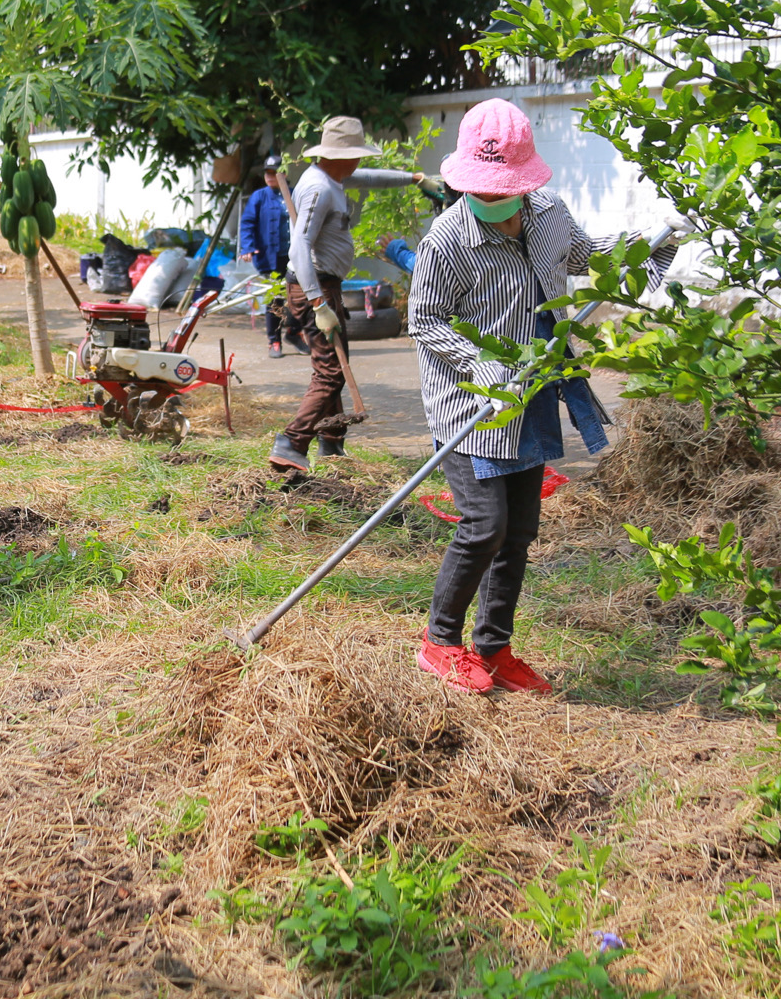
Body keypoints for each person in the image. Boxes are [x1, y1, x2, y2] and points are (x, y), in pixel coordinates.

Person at [407, 98, 674, 694]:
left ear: (526, 183)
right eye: (482, 190)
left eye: (504, 191)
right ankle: (440, 641)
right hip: (471, 403)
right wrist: (481, 366)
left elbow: (586, 255)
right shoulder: (447, 241)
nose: (494, 202)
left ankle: (494, 649)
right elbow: (425, 321)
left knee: (520, 528)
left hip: (533, 391)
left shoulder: (549, 214)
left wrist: (650, 239)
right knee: (485, 522)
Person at [267, 116, 380, 473]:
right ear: (341, 155)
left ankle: (331, 443)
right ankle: (291, 442)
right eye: (358, 154)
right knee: (331, 372)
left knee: (333, 364)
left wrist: (416, 179)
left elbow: (374, 178)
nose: (361, 162)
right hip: (314, 285)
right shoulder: (320, 188)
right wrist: (318, 303)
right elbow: (299, 245)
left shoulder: (331, 178)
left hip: (324, 285)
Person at [238, 153, 306, 358]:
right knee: (275, 297)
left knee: (298, 297)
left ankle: (294, 333)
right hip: (270, 256)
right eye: (266, 172)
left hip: (293, 256)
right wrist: (247, 247)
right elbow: (247, 223)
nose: (269, 176)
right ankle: (274, 341)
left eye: (273, 172)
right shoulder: (259, 197)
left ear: (283, 174)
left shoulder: (295, 195)